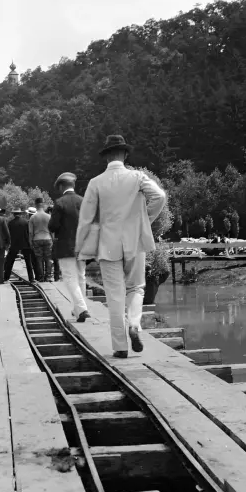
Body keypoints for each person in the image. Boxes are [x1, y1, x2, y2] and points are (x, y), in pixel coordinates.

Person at [76, 135, 167, 357]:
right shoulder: (137, 177)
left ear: (106, 156)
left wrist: (79, 248)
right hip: (135, 240)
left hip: (108, 244)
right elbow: (160, 196)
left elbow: (86, 218)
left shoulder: (96, 182)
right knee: (136, 287)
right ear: (125, 155)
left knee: (114, 296)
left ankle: (120, 347)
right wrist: (144, 221)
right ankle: (134, 324)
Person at [49, 173, 90, 322]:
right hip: (83, 245)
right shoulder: (83, 201)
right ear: (73, 185)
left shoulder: (60, 203)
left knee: (70, 278)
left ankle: (82, 307)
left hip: (66, 246)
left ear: (61, 186)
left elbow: (52, 226)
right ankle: (79, 309)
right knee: (81, 276)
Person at [4, 208, 35, 282]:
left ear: (13, 214)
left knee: (10, 261)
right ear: (20, 214)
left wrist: (8, 244)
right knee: (28, 262)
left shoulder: (10, 223)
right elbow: (28, 233)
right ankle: (31, 278)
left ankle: (6, 277)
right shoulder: (25, 222)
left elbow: (8, 235)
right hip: (25, 243)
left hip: (14, 244)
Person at [29, 198, 53, 282]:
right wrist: (52, 240)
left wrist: (30, 242)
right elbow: (51, 230)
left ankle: (41, 277)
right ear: (43, 205)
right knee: (48, 258)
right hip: (47, 238)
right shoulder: (49, 216)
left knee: (39, 259)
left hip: (37, 239)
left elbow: (31, 232)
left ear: (36, 205)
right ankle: (48, 276)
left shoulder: (32, 217)